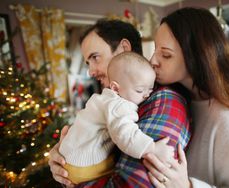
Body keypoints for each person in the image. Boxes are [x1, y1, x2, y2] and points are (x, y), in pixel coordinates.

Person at [142, 7, 229, 188]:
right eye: (156, 50)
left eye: (166, 54)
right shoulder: (179, 99)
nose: (153, 60)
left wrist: (188, 186)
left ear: (197, 56)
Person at [48, 19, 191, 187]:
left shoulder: (162, 101)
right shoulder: (114, 98)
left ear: (123, 48)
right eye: (88, 62)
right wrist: (64, 157)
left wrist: (76, 182)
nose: (91, 71)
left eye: (95, 57)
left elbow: (131, 184)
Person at [59, 51, 174, 184]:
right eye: (139, 90)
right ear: (115, 88)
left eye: (150, 89)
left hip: (70, 157)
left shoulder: (104, 98)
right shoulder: (119, 105)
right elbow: (125, 135)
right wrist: (152, 148)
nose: (146, 95)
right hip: (83, 166)